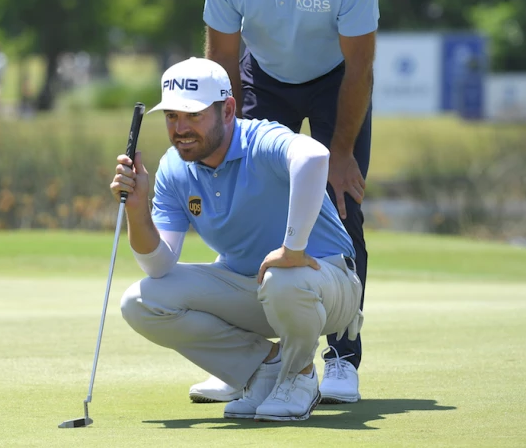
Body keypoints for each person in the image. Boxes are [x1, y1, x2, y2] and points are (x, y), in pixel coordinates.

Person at [201, 0, 378, 405]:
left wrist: (341, 151)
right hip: (264, 79)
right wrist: (223, 137)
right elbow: (223, 58)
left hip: (335, 83)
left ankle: (344, 354)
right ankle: (254, 360)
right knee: (249, 202)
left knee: (339, 202)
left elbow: (360, 70)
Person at [111, 57, 363, 422]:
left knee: (285, 278)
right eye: (171, 117)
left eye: (193, 115)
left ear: (228, 110)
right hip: (253, 290)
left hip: (328, 284)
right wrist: (137, 209)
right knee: (140, 301)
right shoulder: (173, 167)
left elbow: (313, 155)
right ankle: (265, 369)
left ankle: (300, 377)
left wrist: (293, 249)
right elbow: (159, 264)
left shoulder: (260, 138)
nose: (180, 128)